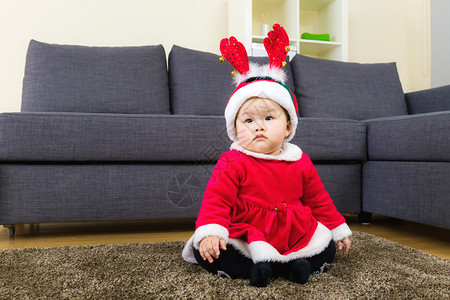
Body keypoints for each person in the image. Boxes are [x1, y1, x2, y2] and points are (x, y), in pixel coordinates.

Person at [182, 24, 352, 288]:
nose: (257, 126)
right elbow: (217, 200)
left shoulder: (300, 161)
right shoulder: (232, 161)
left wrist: (337, 227)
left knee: (326, 246)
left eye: (268, 118)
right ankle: (263, 266)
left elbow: (318, 200)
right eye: (248, 120)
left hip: (293, 231)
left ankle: (293, 265)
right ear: (235, 130)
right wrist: (210, 233)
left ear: (287, 127)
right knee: (210, 254)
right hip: (249, 231)